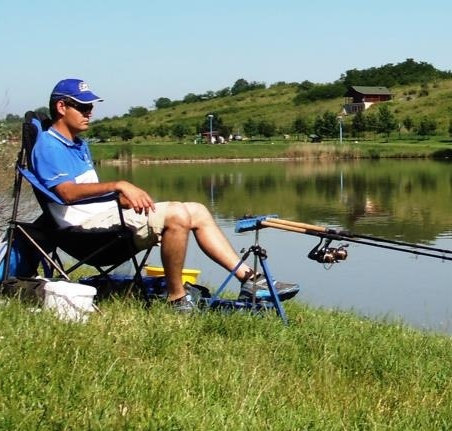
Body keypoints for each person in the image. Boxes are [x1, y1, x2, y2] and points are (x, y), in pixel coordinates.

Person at [31, 78, 295, 313]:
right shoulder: (49, 145)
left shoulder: (78, 144)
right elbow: (65, 194)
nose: (90, 113)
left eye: (91, 107)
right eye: (83, 107)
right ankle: (176, 298)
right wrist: (119, 185)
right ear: (61, 107)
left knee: (197, 209)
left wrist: (122, 199)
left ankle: (250, 281)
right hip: (85, 235)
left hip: (105, 218)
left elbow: (87, 193)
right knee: (177, 216)